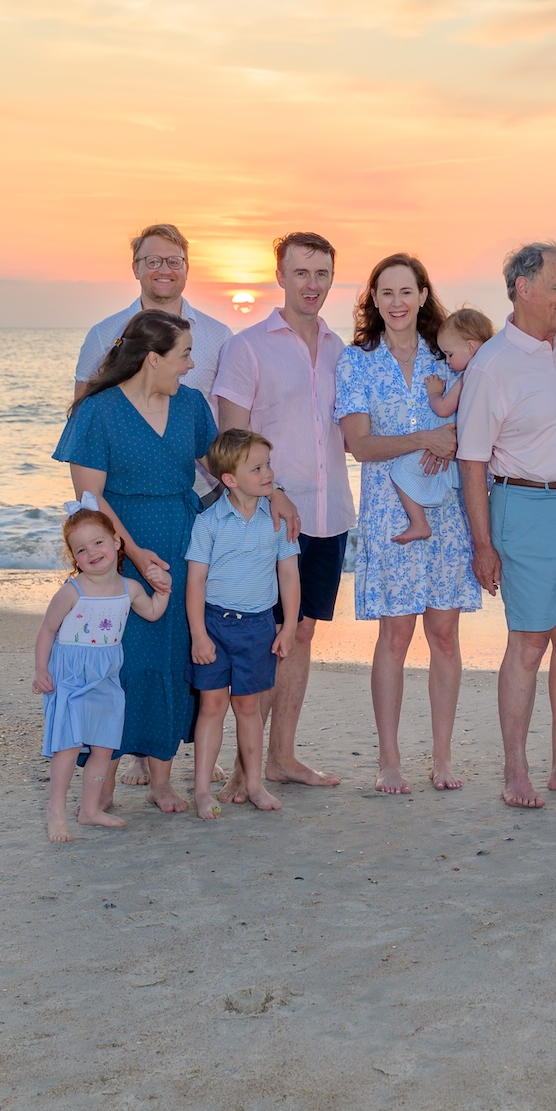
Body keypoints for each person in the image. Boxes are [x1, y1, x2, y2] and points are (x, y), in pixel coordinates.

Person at [57, 310, 271, 813]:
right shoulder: (98, 411)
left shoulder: (192, 405)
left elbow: (227, 466)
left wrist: (271, 494)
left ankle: (161, 779)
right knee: (123, 663)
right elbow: (90, 498)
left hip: (182, 544)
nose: (191, 365)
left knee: (174, 659)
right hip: (117, 554)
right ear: (153, 358)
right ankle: (102, 781)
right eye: (184, 355)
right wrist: (133, 552)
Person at [456, 242, 556, 809]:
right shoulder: (492, 365)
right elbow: (471, 459)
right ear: (524, 289)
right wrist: (482, 544)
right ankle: (515, 771)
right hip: (524, 509)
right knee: (527, 643)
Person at [335, 254, 484, 795]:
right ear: (374, 300)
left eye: (407, 291)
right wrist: (425, 438)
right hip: (390, 513)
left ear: (423, 295)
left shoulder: (449, 356)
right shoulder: (357, 362)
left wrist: (454, 443)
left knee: (444, 634)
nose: (397, 302)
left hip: (448, 514)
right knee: (394, 636)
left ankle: (443, 757)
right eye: (386, 292)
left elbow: (486, 420)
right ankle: (389, 760)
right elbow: (359, 445)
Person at [210, 232, 353, 791]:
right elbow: (229, 440)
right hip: (266, 519)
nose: (312, 284)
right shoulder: (247, 348)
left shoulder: (343, 350)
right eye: (301, 273)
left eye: (321, 274)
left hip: (329, 513)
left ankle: (281, 758)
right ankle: (245, 768)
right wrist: (273, 492)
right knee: (265, 635)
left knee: (303, 632)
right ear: (281, 276)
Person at [33, 497, 170, 842]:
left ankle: (92, 809)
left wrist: (164, 590)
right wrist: (40, 671)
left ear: (116, 542)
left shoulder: (129, 588)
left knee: (104, 746)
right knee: (67, 745)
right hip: (71, 675)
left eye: (98, 542)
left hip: (107, 675)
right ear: (73, 558)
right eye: (81, 550)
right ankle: (57, 811)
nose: (92, 552)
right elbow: (47, 629)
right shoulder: (73, 591)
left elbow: (153, 612)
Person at [185, 429, 302, 820]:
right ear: (230, 480)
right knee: (212, 705)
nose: (268, 473)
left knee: (249, 706)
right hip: (216, 625)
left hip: (258, 626)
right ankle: (203, 789)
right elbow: (196, 581)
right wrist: (199, 635)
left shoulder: (278, 519)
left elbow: (288, 575)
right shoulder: (209, 522)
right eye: (257, 468)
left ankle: (254, 783)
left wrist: (287, 629)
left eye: (268, 464)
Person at [73, 223, 233, 424]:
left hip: (199, 455)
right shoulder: (102, 334)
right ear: (136, 269)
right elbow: (82, 416)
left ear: (187, 269)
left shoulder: (220, 336)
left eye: (174, 262)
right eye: (153, 261)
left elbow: (230, 419)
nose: (165, 270)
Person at [389, 307, 494, 544]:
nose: (447, 361)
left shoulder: (470, 376)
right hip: (456, 448)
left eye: (450, 354)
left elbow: (443, 409)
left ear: (471, 347)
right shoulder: (489, 374)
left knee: (400, 471)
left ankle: (419, 523)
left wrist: (435, 394)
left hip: (445, 442)